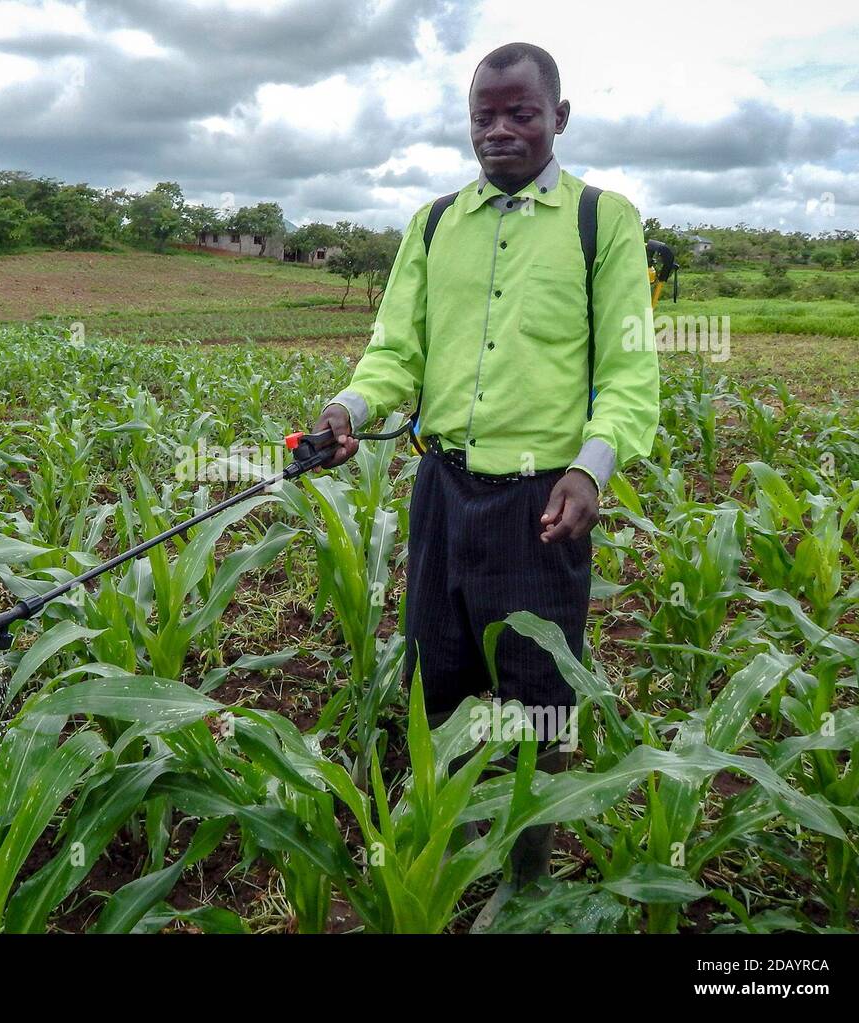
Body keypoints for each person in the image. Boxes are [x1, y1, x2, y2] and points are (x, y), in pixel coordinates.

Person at [311, 41, 660, 929]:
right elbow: (397, 349)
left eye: (521, 113)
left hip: (544, 505)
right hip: (443, 492)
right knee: (437, 681)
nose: (500, 130)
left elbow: (628, 369)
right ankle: (441, 849)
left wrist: (593, 464)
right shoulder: (433, 224)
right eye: (485, 115)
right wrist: (351, 405)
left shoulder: (601, 221)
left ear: (559, 118)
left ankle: (527, 878)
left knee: (539, 700)